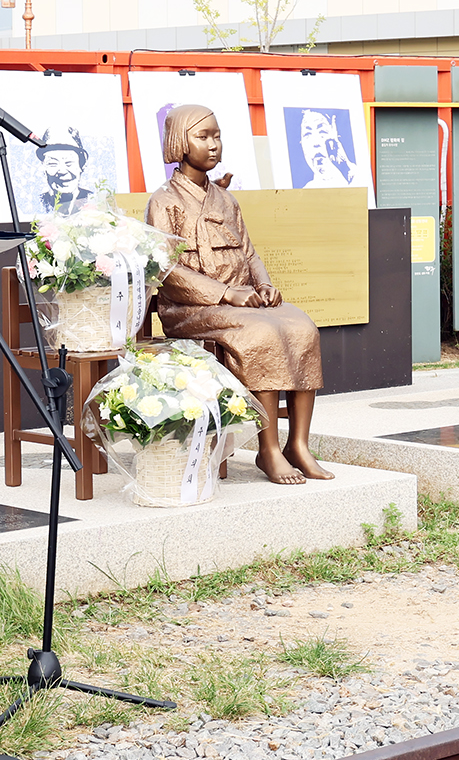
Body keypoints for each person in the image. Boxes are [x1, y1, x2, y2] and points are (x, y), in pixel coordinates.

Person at [145, 104, 329, 484]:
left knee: (302, 328)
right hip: (191, 308)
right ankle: (269, 450)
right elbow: (166, 268)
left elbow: (247, 251)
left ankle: (298, 444)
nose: (213, 145)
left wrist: (262, 283)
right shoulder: (164, 201)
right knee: (262, 335)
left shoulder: (226, 199)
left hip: (240, 302)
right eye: (203, 136)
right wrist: (226, 293)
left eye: (217, 136)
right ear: (180, 143)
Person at [32, 126, 95, 215]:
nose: (62, 171)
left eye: (69, 163)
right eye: (53, 164)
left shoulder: (95, 201)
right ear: (43, 168)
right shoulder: (36, 204)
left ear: (82, 165)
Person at [295, 109, 356, 188]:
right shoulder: (305, 192)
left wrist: (347, 170)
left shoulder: (357, 177)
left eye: (322, 132)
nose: (316, 143)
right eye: (307, 134)